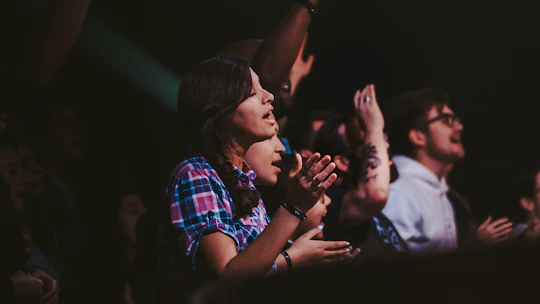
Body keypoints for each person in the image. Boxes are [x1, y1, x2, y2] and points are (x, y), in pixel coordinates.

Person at [163, 56, 351, 288]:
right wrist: (294, 212)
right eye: (252, 93)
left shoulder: (245, 182)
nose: (268, 96)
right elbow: (229, 276)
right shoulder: (195, 174)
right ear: (221, 110)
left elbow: (254, 268)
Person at [381, 88, 466, 255]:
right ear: (418, 136)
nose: (459, 127)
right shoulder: (400, 191)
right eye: (447, 120)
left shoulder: (439, 191)